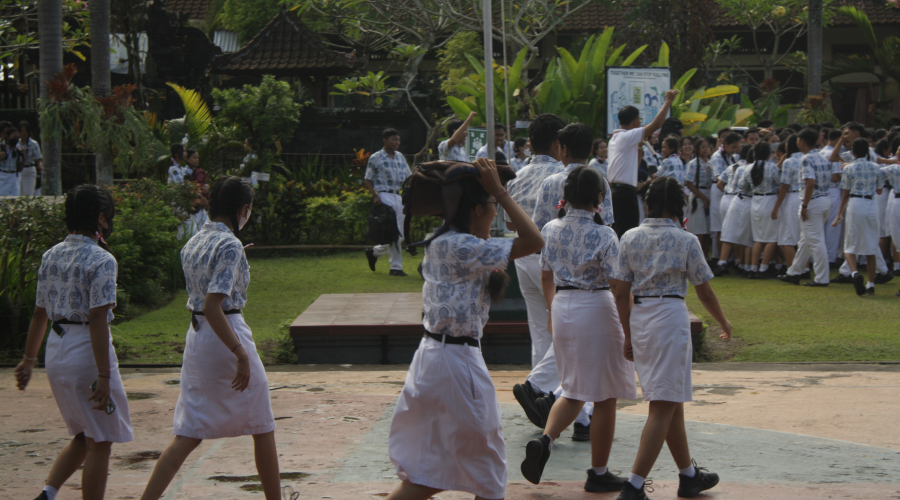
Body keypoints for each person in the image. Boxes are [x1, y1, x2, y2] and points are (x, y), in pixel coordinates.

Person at [386, 158, 544, 500]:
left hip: (436, 358)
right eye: (491, 207)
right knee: (487, 465)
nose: (496, 214)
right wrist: (500, 191)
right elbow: (534, 240)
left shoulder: (445, 241)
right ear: (475, 209)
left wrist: (493, 193)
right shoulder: (461, 246)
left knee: (432, 469)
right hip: (455, 361)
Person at [140, 176, 280, 500]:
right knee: (262, 424)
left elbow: (205, 293)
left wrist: (236, 258)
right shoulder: (229, 244)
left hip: (199, 337)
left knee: (189, 431)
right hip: (226, 333)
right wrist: (241, 354)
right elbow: (214, 304)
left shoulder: (195, 241)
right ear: (243, 209)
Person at [612, 176, 731, 500]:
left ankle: (688, 476)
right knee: (663, 405)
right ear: (680, 206)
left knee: (670, 400)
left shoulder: (629, 238)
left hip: (642, 319)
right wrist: (723, 320)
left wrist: (626, 332)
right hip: (670, 319)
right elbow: (704, 291)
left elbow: (620, 293)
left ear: (646, 204)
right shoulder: (686, 239)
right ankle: (634, 485)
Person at [520, 166, 635, 492]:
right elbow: (618, 288)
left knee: (573, 388)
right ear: (600, 198)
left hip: (563, 307)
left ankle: (546, 439)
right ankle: (598, 472)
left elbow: (546, 277)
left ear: (565, 196)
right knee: (606, 394)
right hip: (595, 309)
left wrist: (553, 311)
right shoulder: (605, 235)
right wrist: (628, 332)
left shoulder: (551, 229)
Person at [16, 185, 132, 500]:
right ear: (100, 218)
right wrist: (104, 376)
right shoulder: (103, 259)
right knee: (101, 441)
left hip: (55, 351)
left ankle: (47, 493)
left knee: (84, 434)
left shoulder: (51, 255)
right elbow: (97, 321)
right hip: (86, 353)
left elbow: (40, 314)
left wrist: (28, 359)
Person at [524, 123, 614, 441]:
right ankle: (577, 414)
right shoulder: (599, 185)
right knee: (592, 361)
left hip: (557, 284)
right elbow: (607, 224)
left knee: (553, 341)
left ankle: (547, 395)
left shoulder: (550, 185)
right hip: (594, 291)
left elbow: (535, 231)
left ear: (562, 148)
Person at [506, 114, 567, 430]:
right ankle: (539, 389)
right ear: (559, 143)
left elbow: (506, 222)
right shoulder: (563, 175)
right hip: (552, 260)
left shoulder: (518, 175)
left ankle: (542, 400)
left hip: (523, 257)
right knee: (568, 332)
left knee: (540, 330)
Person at [608, 89, 680, 238]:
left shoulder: (617, 138)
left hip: (620, 191)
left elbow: (637, 162)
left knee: (622, 230)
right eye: (639, 120)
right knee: (625, 233)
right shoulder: (628, 136)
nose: (640, 123)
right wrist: (668, 101)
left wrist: (640, 145)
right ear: (634, 120)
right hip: (624, 193)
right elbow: (657, 124)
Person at [779, 128, 834, 287]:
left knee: (815, 242)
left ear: (802, 141)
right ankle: (794, 272)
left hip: (813, 202)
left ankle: (822, 278)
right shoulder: (823, 157)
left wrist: (804, 205)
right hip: (824, 200)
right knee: (806, 239)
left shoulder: (806, 159)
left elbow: (810, 182)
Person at [832, 138, 885, 296]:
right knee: (871, 244)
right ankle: (871, 284)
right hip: (870, 204)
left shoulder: (849, 169)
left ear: (853, 152)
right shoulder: (876, 168)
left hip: (855, 204)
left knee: (850, 245)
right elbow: (880, 191)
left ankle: (855, 273)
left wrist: (840, 213)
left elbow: (845, 193)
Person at [364, 128, 412, 276]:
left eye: (398, 140)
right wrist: (375, 195)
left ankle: (374, 253)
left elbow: (408, 176)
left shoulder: (400, 157)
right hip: (384, 196)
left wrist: (410, 191)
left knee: (401, 233)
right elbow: (368, 178)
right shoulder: (376, 157)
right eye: (394, 139)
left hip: (399, 196)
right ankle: (396, 267)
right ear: (385, 140)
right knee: (394, 232)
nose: (397, 142)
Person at [714, 146, 754, 276]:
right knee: (744, 233)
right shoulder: (751, 168)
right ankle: (740, 262)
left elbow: (720, 183)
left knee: (727, 231)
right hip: (743, 198)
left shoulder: (733, 166)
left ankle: (723, 262)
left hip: (727, 198)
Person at [745, 142, 781, 278]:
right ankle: (763, 268)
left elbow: (742, 186)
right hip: (769, 200)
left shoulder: (748, 168)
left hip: (755, 201)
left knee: (758, 238)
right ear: (768, 154)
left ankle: (753, 268)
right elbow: (780, 182)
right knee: (772, 238)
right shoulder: (771, 167)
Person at [709, 132, 743, 263]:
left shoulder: (732, 157)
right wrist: (731, 192)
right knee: (719, 227)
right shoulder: (717, 156)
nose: (735, 150)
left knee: (730, 225)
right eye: (733, 147)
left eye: (737, 147)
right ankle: (718, 257)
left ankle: (729, 258)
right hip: (720, 190)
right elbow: (719, 179)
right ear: (725, 144)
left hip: (728, 191)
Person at [772, 136, 804, 271]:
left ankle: (792, 270)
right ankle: (805, 268)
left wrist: (776, 206)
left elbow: (784, 186)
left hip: (792, 197)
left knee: (788, 238)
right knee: (803, 236)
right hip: (805, 196)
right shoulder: (806, 158)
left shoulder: (789, 162)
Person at [685, 137, 713, 257]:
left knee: (708, 231)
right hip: (698, 195)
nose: (706, 149)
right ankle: (695, 257)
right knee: (699, 230)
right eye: (703, 147)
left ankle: (705, 257)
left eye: (708, 147)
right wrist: (703, 197)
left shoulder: (710, 163)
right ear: (697, 149)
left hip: (709, 193)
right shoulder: (693, 163)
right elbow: (689, 183)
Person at [880, 160, 900, 296]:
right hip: (897, 201)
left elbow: (875, 170)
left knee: (898, 242)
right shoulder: (893, 167)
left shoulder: (894, 168)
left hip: (898, 202)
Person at [17, 120, 42, 196]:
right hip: (19, 171)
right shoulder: (16, 143)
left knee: (28, 194)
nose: (23, 133)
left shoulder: (34, 144)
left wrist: (41, 167)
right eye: (21, 131)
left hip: (29, 171)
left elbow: (38, 158)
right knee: (19, 194)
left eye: (25, 131)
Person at [0, 124, 22, 196]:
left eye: (17, 137)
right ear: (8, 137)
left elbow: (19, 168)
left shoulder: (18, 149)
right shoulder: (1, 146)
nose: (16, 139)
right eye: (14, 137)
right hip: (2, 175)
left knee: (15, 197)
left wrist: (24, 156)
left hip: (13, 176)